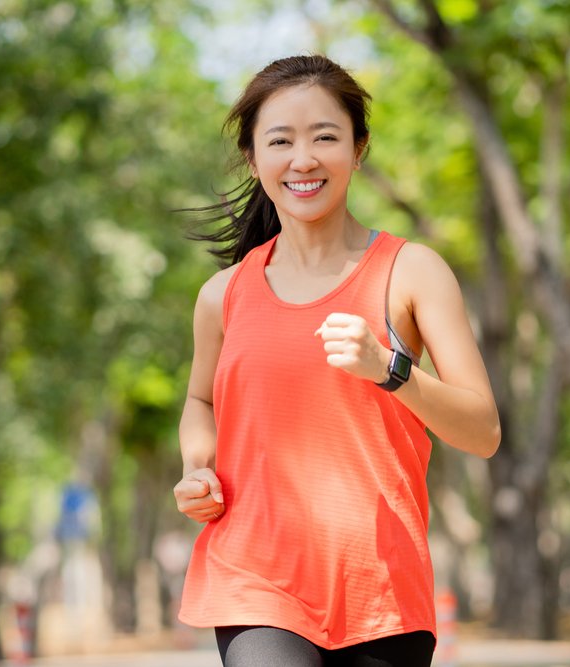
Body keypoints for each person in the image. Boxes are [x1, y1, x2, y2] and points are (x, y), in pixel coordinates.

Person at [172, 54, 500, 667]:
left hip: (381, 585)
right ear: (253, 158)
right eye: (280, 141)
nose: (303, 159)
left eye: (325, 136)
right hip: (254, 576)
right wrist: (198, 469)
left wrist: (390, 369)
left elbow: (482, 432)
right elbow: (200, 400)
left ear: (359, 149)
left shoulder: (411, 272)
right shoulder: (223, 294)